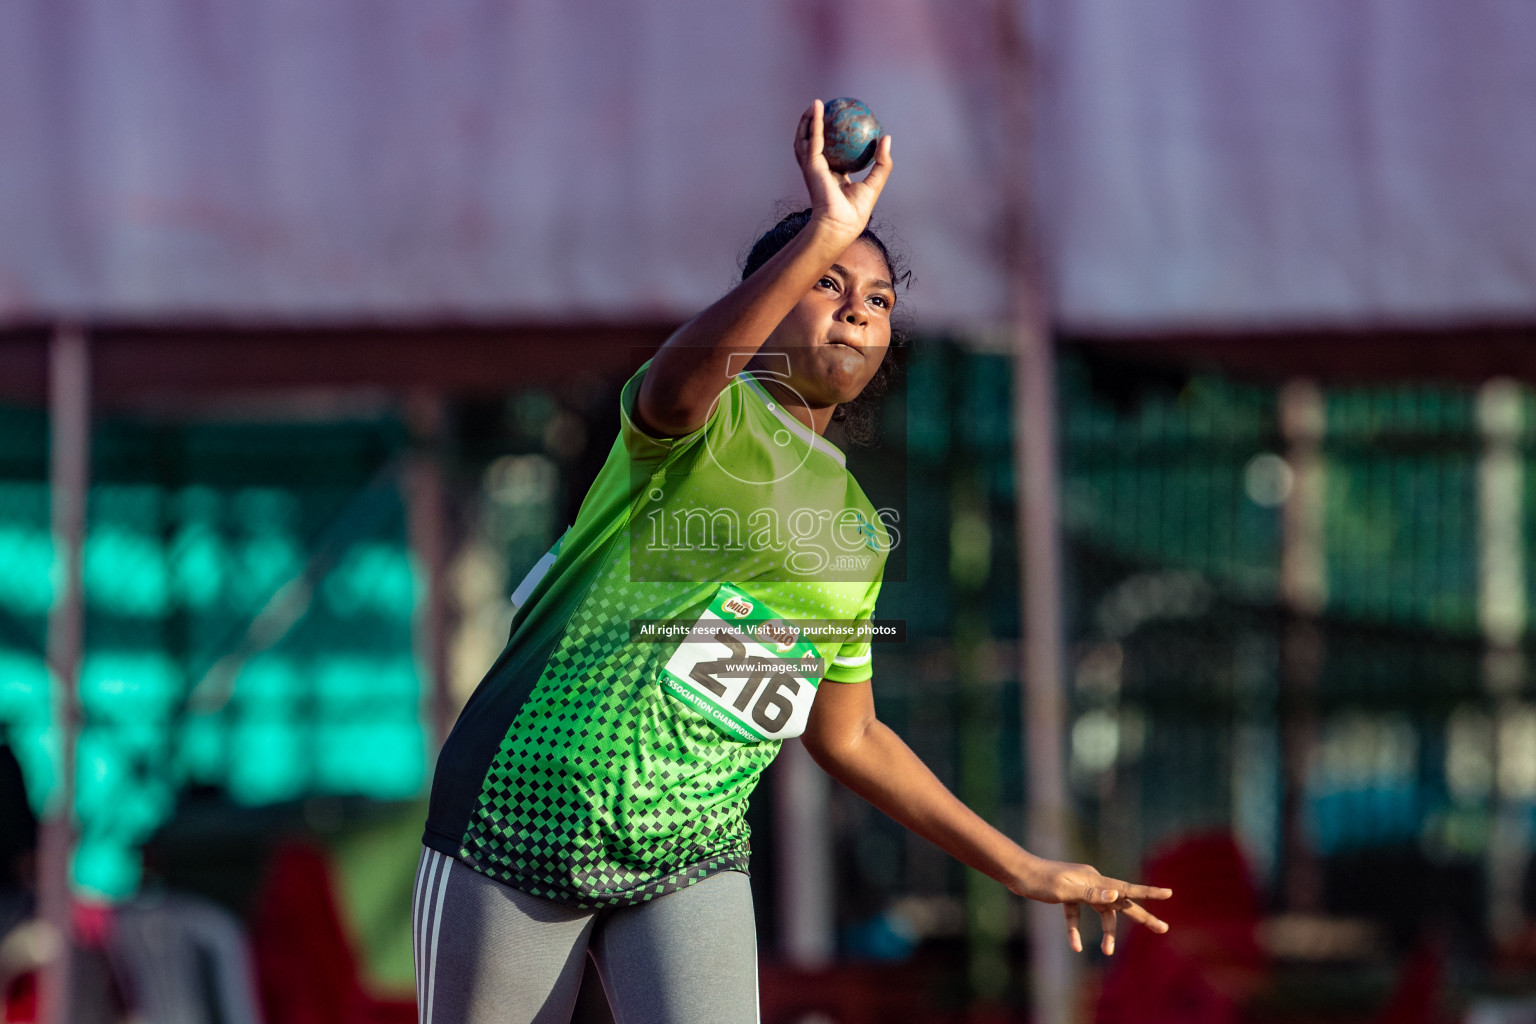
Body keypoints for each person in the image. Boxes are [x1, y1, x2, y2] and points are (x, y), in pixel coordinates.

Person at [414, 99, 1172, 1024]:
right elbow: (682, 376)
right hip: (521, 813)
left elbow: (848, 736)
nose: (856, 313)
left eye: (879, 301)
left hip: (687, 850)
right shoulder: (702, 419)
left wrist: (1020, 866)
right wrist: (826, 229)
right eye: (829, 286)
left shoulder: (856, 533)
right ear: (773, 296)